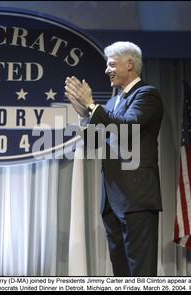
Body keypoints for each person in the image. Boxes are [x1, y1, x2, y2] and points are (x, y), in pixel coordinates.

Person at [65, 41, 163, 276]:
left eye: (111, 65)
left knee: (140, 272)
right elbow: (94, 145)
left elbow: (129, 129)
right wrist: (84, 116)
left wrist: (91, 105)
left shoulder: (147, 95)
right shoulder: (112, 102)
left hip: (137, 198)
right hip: (111, 200)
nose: (106, 70)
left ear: (129, 65)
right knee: (121, 272)